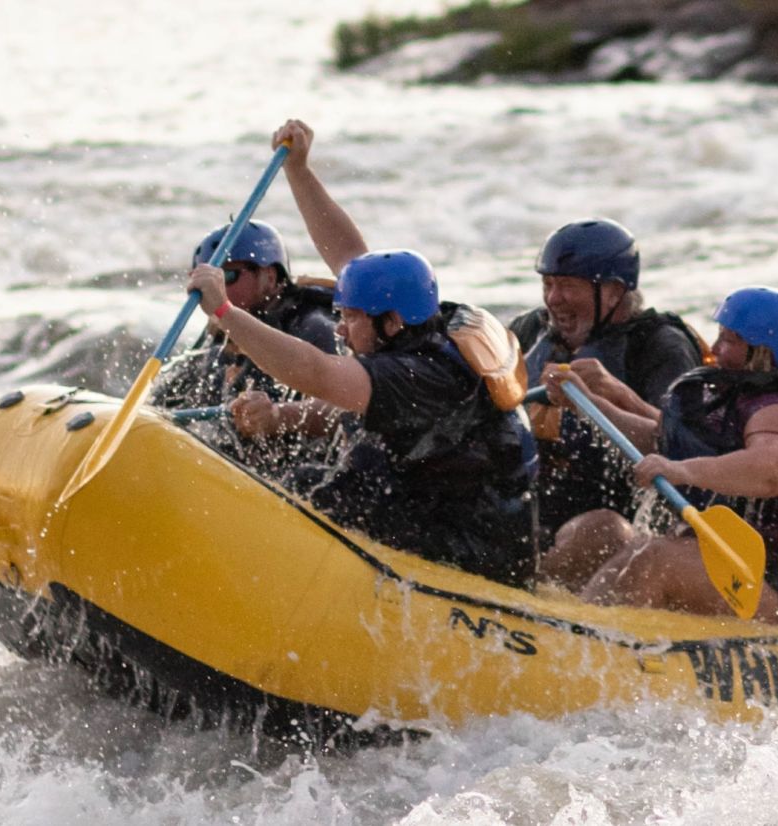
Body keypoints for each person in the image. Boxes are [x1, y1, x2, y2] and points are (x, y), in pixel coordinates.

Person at [182, 119, 539, 586]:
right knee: (308, 480)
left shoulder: (420, 373)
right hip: (428, 506)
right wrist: (299, 171)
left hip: (475, 552)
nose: (341, 330)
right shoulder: (415, 322)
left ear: (390, 322)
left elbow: (316, 372)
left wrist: (225, 310)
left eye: (351, 318)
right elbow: (350, 257)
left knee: (321, 497)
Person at [547, 286, 778, 639]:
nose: (717, 349)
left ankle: (575, 651)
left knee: (653, 562)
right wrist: (589, 404)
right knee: (600, 530)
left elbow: (771, 472)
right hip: (747, 566)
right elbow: (661, 442)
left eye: (730, 340)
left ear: (763, 351)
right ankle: (526, 623)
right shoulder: (733, 393)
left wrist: (682, 471)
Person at [508, 218, 707, 552]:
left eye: (568, 285)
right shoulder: (530, 330)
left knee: (601, 530)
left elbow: (688, 449)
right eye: (548, 285)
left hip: (618, 522)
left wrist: (617, 394)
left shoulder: (662, 347)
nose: (554, 299)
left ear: (614, 291)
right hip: (537, 507)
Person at [149, 219, 339, 410]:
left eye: (227, 276)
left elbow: (342, 407)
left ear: (270, 277)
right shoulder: (217, 344)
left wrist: (277, 418)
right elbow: (158, 409)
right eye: (209, 279)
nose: (215, 288)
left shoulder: (316, 328)